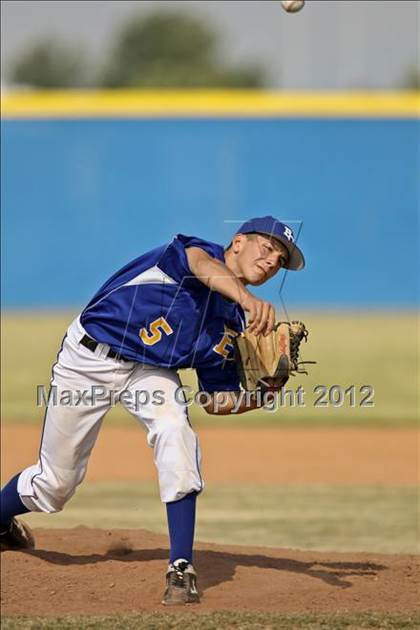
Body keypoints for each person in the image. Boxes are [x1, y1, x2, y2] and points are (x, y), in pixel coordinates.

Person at [0, 215, 304, 605]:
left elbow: (215, 401)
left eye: (280, 259)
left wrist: (263, 394)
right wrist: (246, 298)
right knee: (54, 486)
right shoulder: (193, 254)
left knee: (176, 431)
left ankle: (181, 567)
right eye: (267, 247)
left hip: (150, 372)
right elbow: (203, 267)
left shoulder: (230, 325)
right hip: (89, 358)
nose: (271, 260)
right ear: (239, 241)